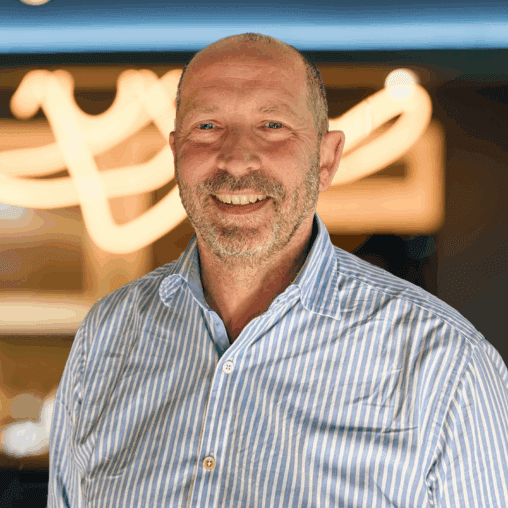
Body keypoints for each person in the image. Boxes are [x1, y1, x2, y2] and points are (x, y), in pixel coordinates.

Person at [48, 33, 508, 507]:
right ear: (175, 153)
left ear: (326, 159)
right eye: (207, 125)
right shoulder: (105, 338)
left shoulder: (447, 362)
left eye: (272, 125)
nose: (236, 159)